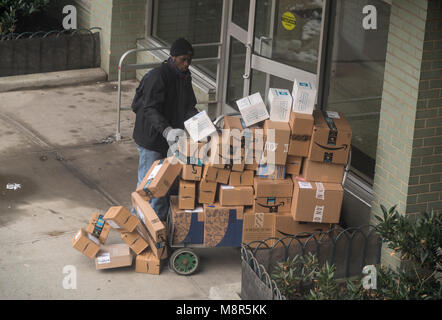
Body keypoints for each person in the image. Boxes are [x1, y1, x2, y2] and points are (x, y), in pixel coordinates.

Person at [131, 38, 199, 221]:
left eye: (189, 60)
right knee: (148, 185)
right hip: (152, 139)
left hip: (170, 140)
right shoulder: (158, 76)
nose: (186, 64)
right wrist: (166, 129)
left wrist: (200, 122)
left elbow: (188, 105)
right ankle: (138, 227)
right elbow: (149, 109)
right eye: (183, 60)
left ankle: (157, 225)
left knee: (163, 185)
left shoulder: (185, 76)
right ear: (173, 57)